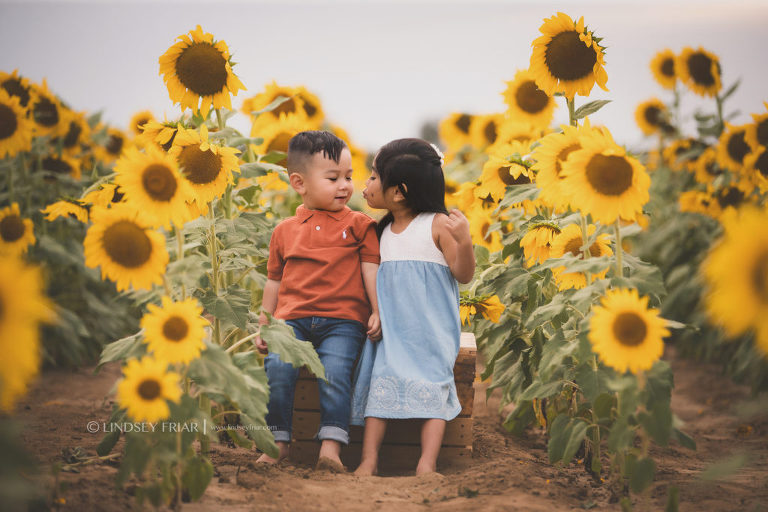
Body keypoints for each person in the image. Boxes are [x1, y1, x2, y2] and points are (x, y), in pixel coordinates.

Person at [254, 130, 382, 471]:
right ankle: (278, 441)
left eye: (349, 177)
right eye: (333, 178)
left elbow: (371, 271)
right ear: (299, 182)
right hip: (291, 319)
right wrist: (265, 322)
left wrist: (377, 310)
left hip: (343, 320)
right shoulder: (284, 230)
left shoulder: (360, 225)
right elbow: (274, 280)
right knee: (278, 371)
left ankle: (331, 447)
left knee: (336, 373)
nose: (345, 186)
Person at [350, 138, 475, 476]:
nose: (366, 183)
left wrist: (464, 242)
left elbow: (463, 274)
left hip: (431, 331)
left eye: (374, 177)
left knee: (434, 390)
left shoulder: (437, 225)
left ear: (399, 191)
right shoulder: (382, 230)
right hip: (392, 332)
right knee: (381, 388)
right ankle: (369, 460)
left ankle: (426, 463)